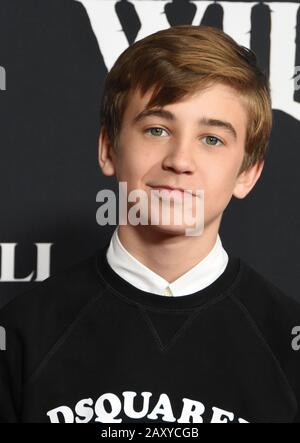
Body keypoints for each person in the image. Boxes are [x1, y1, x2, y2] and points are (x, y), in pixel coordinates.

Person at [0, 25, 300, 424]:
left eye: (211, 139)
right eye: (157, 129)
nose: (180, 159)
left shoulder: (286, 341)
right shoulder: (23, 334)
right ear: (108, 149)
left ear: (248, 173)